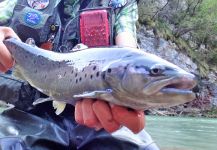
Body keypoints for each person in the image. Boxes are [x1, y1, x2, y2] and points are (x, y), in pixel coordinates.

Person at [0, 0, 159, 149]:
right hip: (30, 111)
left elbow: (128, 51)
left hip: (100, 117)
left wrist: (129, 100)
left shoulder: (119, 3)